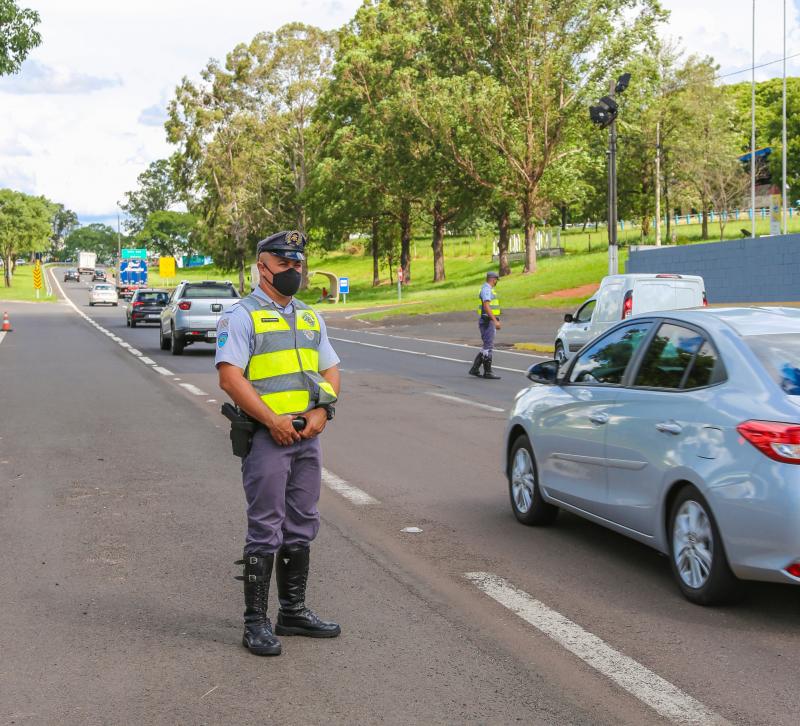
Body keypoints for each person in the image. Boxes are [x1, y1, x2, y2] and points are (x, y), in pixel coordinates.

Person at [216, 230, 341, 657]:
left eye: (298, 264)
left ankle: (293, 612)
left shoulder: (310, 317)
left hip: (307, 436)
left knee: (302, 520)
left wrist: (324, 411)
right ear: (262, 267)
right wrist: (272, 420)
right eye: (284, 264)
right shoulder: (241, 316)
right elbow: (230, 376)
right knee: (265, 525)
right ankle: (256, 623)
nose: (293, 271)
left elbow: (331, 369)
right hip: (268, 437)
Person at [469, 270, 501, 379]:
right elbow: (487, 306)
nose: (496, 282)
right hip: (487, 321)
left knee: (486, 346)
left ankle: (475, 368)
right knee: (488, 346)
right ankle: (488, 372)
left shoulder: (486, 289)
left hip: (488, 320)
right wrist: (495, 320)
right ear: (493, 279)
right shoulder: (486, 289)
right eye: (496, 280)